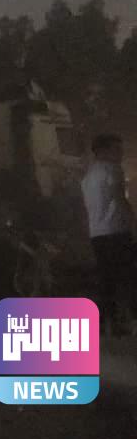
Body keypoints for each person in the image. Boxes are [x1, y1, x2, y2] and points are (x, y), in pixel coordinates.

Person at [81, 134, 136, 333]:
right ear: (103, 151)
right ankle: (132, 319)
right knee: (128, 276)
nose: (120, 154)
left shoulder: (88, 177)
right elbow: (120, 199)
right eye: (116, 149)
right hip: (117, 231)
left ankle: (108, 322)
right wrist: (133, 221)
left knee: (106, 278)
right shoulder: (113, 169)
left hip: (97, 233)